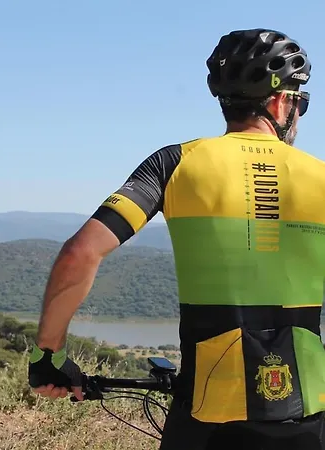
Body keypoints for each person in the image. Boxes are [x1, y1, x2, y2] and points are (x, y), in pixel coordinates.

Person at [28, 28, 325, 449]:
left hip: (204, 415)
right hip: (306, 415)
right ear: (281, 102)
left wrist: (49, 356)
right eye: (302, 103)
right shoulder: (320, 177)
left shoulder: (175, 163)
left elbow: (79, 253)